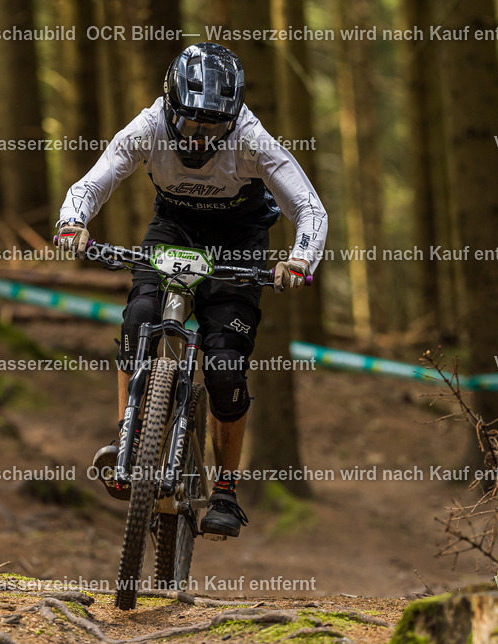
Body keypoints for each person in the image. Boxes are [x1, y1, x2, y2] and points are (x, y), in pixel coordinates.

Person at [56, 42, 327, 538]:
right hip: (175, 228)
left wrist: (299, 260)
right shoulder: (147, 127)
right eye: (190, 125)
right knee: (139, 317)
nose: (201, 138)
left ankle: (225, 488)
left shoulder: (252, 138)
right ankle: (130, 436)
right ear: (170, 106)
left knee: (225, 366)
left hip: (240, 239)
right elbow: (93, 182)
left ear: (233, 118)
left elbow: (309, 208)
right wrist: (73, 222)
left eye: (213, 128)